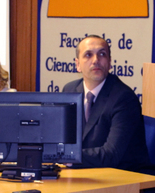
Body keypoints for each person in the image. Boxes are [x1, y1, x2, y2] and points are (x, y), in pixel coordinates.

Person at [63, 35, 150, 172]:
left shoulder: (123, 98)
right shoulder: (70, 91)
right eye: (88, 55)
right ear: (77, 64)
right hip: (85, 173)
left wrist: (66, 156)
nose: (96, 60)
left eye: (102, 54)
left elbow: (111, 154)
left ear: (109, 62)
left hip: (122, 179)